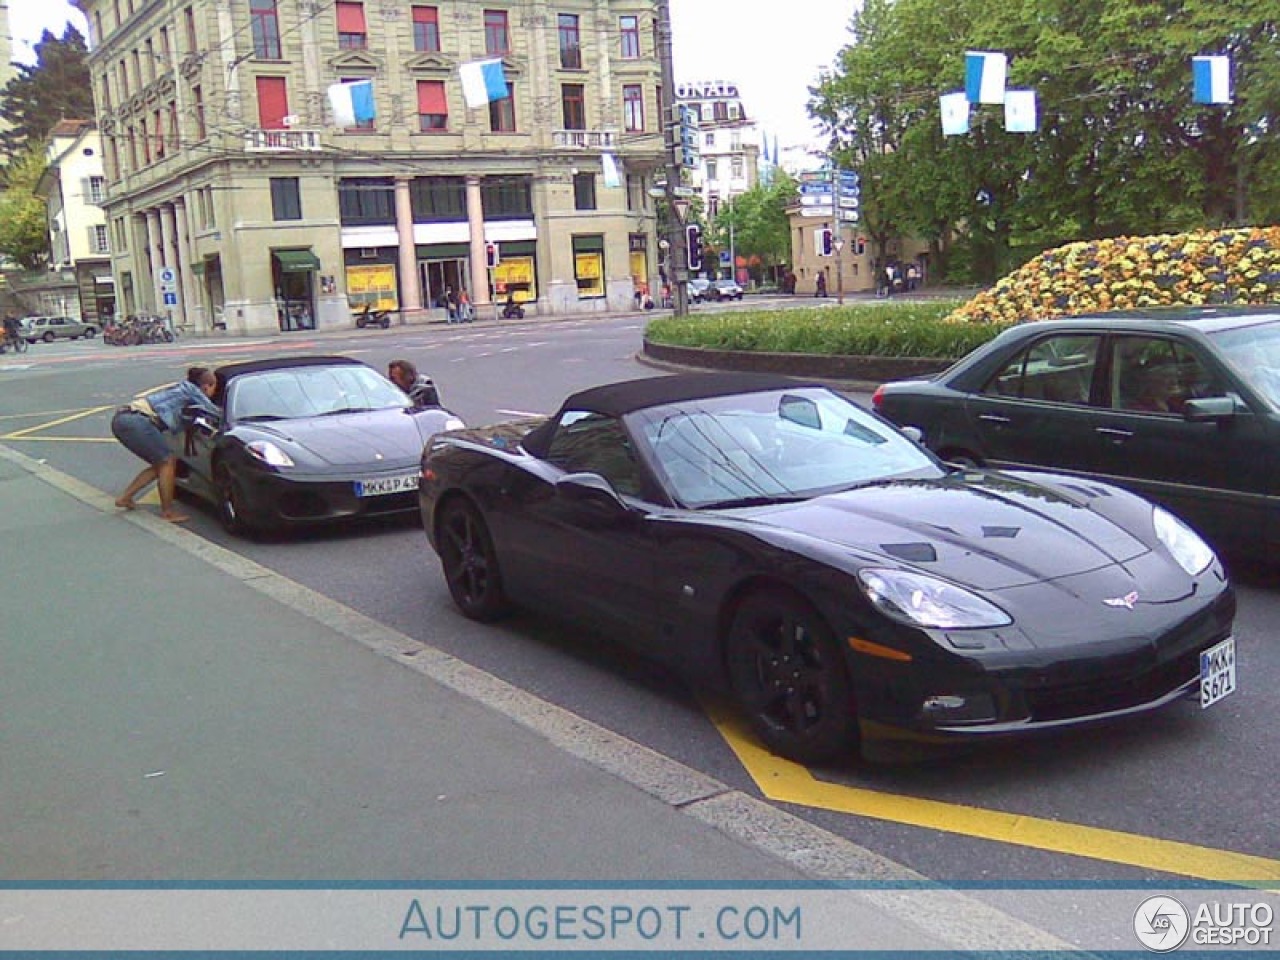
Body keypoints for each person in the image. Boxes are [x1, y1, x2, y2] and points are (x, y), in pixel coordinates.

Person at [111, 366, 220, 523]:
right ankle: (168, 512)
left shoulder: (182, 388)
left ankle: (125, 498)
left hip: (125, 419)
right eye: (214, 386)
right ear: (206, 386)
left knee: (161, 465)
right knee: (168, 462)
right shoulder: (193, 392)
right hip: (136, 421)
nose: (214, 392)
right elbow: (214, 413)